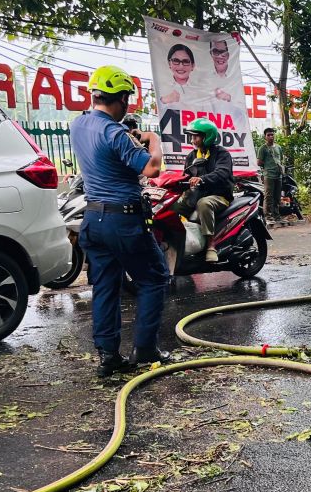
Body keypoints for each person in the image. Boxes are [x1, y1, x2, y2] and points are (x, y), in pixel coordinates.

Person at [72, 65, 168, 376]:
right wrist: (152, 138)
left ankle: (108, 356)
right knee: (154, 278)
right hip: (122, 220)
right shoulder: (115, 134)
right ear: (122, 99)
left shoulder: (79, 125)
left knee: (105, 286)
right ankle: (145, 348)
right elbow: (152, 169)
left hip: (93, 220)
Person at [176, 118, 234, 262]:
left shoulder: (222, 153)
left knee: (204, 204)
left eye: (195, 136)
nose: (192, 140)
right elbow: (186, 175)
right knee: (173, 206)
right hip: (197, 195)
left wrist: (202, 179)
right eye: (191, 136)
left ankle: (210, 245)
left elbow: (222, 172)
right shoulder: (192, 156)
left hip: (220, 196)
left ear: (207, 136)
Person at [258, 127, 283, 223]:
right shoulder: (263, 148)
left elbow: (281, 159)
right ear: (265, 137)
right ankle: (268, 217)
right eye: (268, 135)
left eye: (272, 134)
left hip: (278, 175)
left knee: (277, 196)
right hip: (269, 175)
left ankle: (277, 216)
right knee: (268, 196)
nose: (271, 136)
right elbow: (259, 162)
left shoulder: (278, 147)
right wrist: (268, 166)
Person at [206, 39, 235, 103]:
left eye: (223, 52)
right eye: (216, 52)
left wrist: (229, 97)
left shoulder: (235, 77)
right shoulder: (205, 79)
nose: (220, 56)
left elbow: (242, 105)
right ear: (211, 54)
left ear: (228, 55)